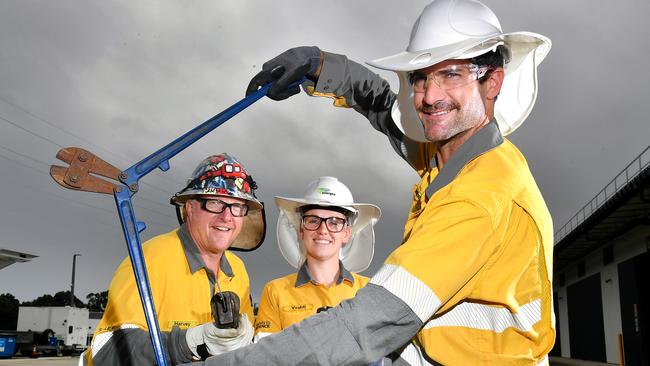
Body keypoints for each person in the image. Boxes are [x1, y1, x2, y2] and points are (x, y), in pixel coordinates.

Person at [189, 0, 555, 364]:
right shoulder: (451, 159)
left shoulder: (480, 196)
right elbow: (384, 109)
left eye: (451, 75)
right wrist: (321, 65)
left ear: (491, 81)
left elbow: (362, 327)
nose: (429, 96)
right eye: (420, 77)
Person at [86, 153, 264, 365]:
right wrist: (189, 343)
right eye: (215, 202)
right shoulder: (150, 259)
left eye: (237, 206)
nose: (227, 217)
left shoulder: (237, 269)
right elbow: (105, 352)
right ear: (190, 208)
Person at [254, 176, 381, 340]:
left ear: (346, 233)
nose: (323, 230)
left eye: (334, 222)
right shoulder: (275, 292)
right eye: (313, 221)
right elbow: (265, 357)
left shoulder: (369, 291)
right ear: (301, 230)